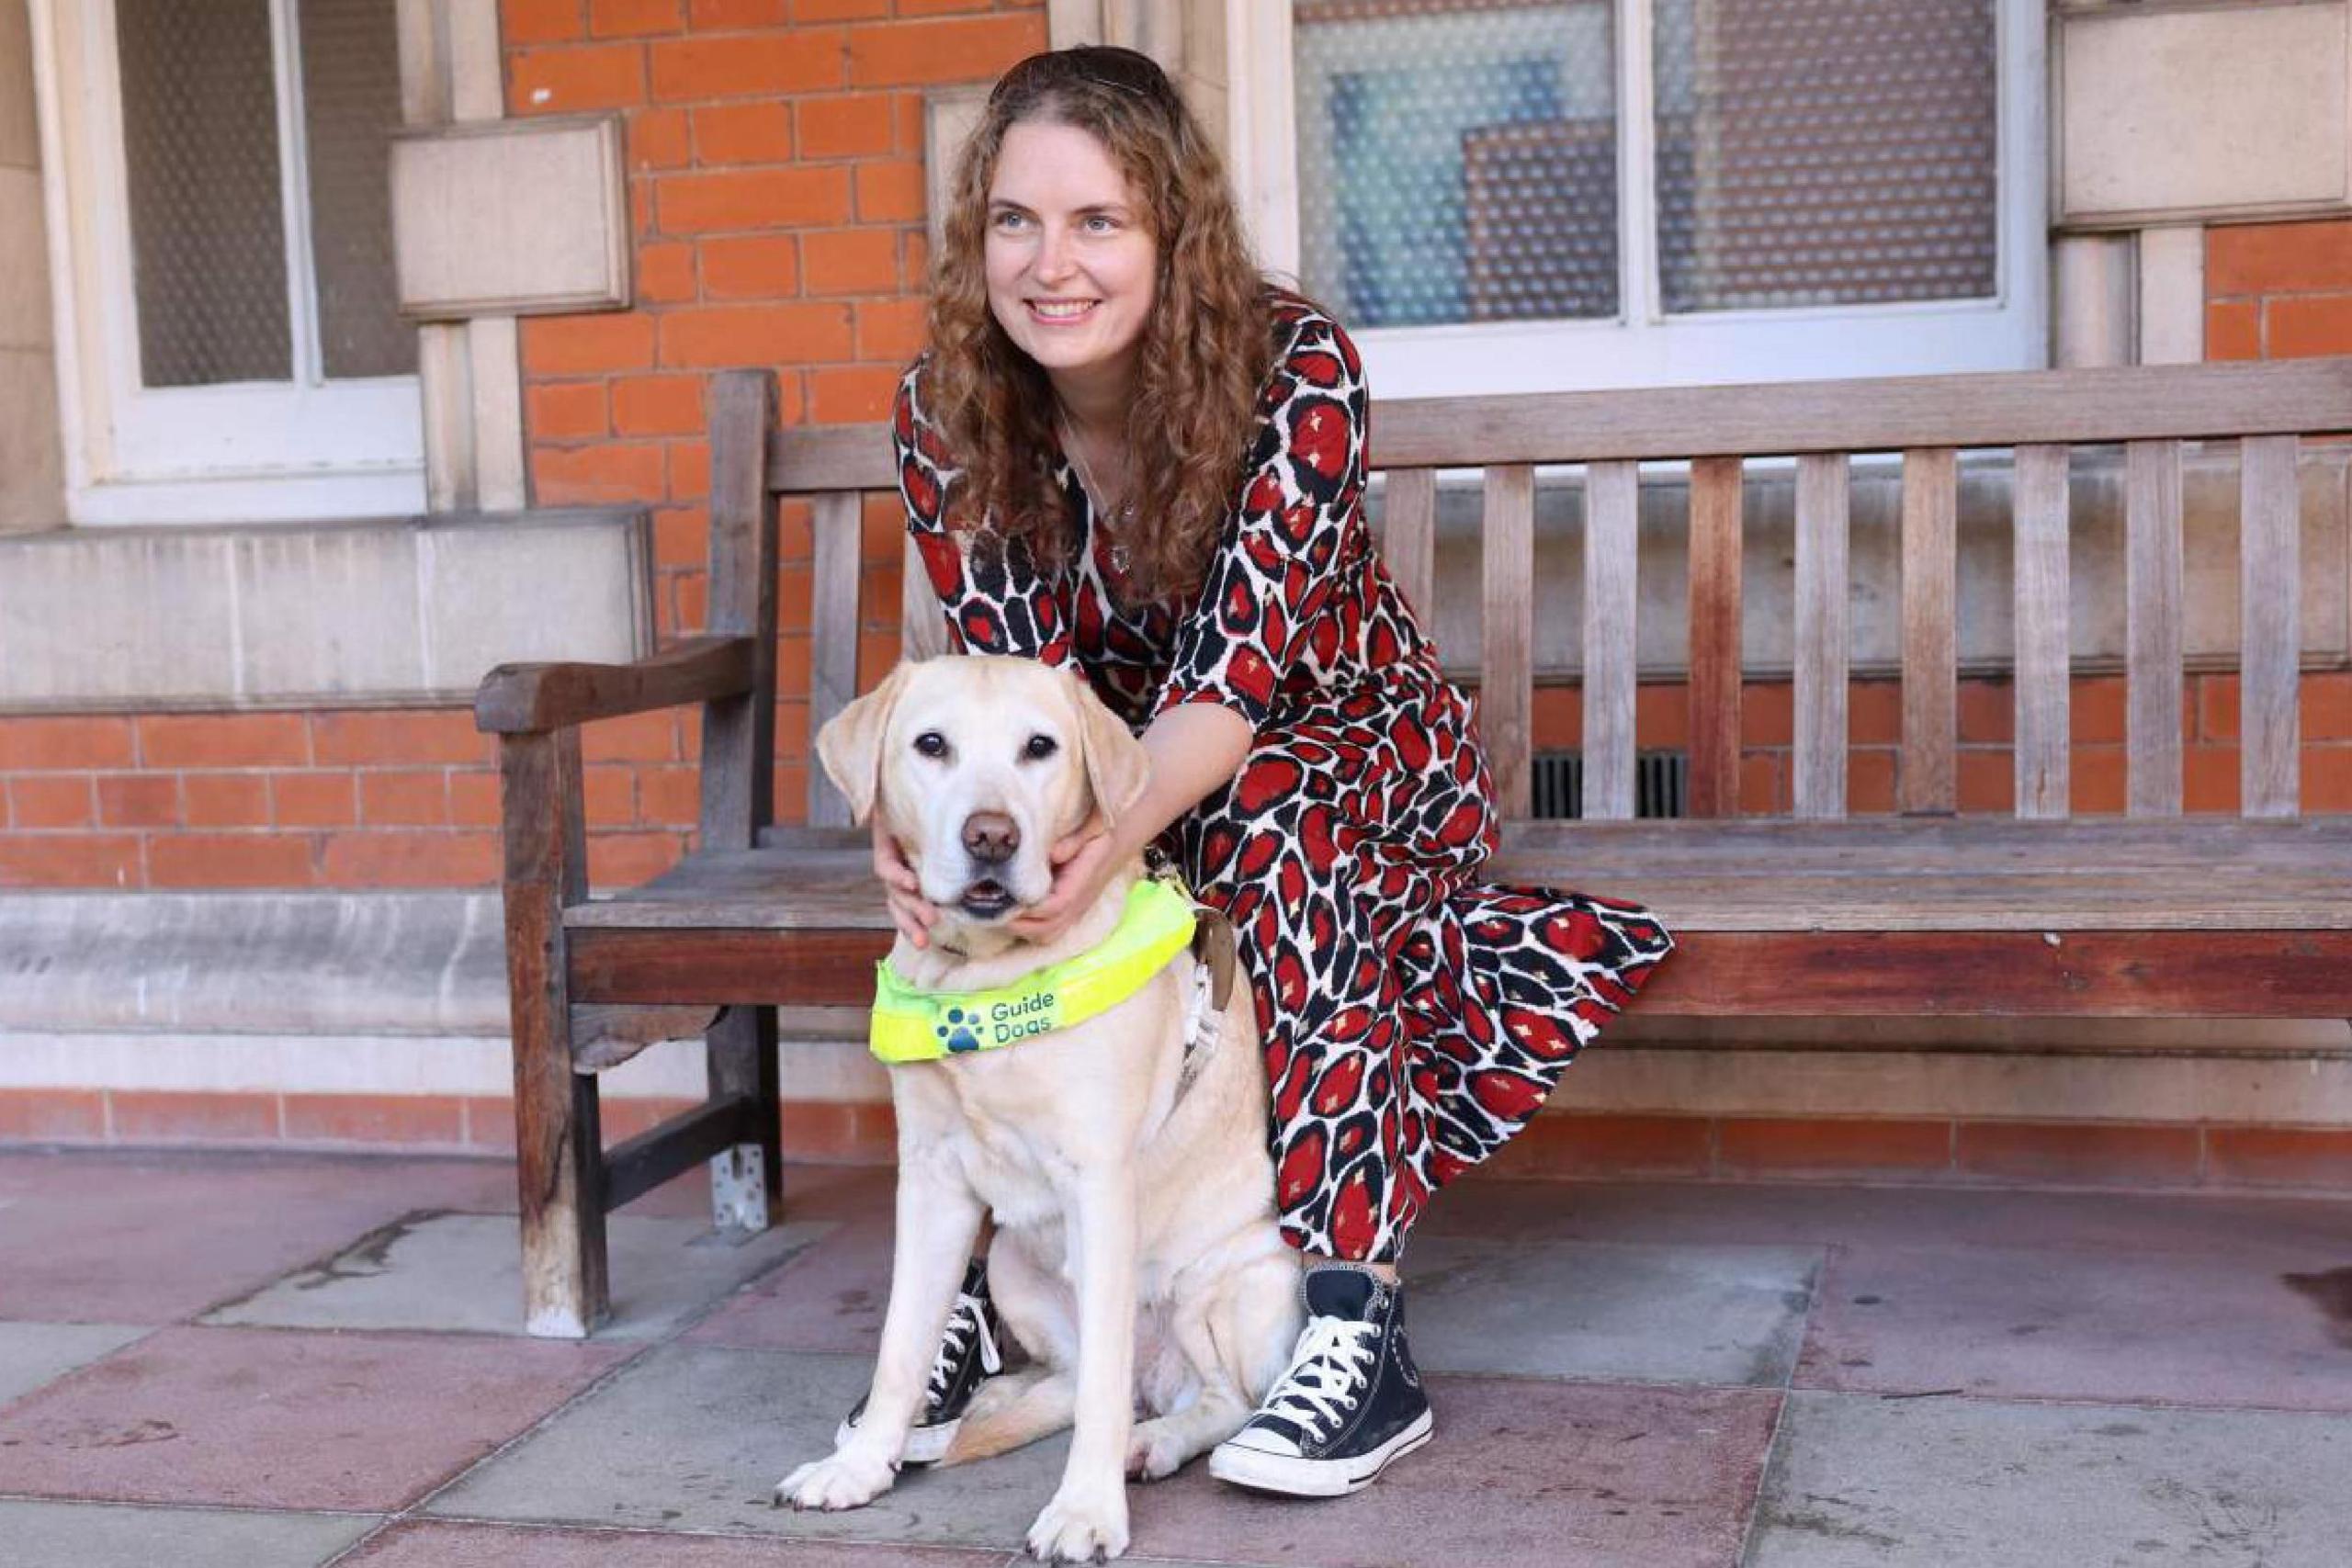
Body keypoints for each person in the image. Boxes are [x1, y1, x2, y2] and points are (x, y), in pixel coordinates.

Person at [859, 44, 1674, 1496]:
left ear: (1173, 230)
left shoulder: (1294, 371)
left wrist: (1099, 845)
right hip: (1112, 773)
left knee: (1267, 823)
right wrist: (935, 834)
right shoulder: (946, 416)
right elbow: (1011, 689)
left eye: (1099, 221)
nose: (1053, 264)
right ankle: (991, 1283)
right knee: (975, 901)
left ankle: (1356, 1331)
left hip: (1351, 747)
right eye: (1016, 221)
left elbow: (1234, 696)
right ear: (975, 234)